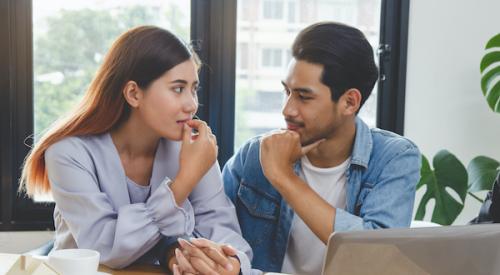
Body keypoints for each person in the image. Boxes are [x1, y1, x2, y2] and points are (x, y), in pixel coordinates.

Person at [20, 26, 254, 275]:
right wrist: (184, 182)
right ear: (133, 93)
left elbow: (225, 234)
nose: (191, 104)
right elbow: (106, 249)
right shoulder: (68, 153)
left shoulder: (194, 149)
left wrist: (231, 263)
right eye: (177, 88)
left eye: (194, 89)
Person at [223, 22, 421, 274]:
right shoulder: (255, 154)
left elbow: (377, 256)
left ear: (350, 102)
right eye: (287, 92)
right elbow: (214, 232)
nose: (287, 110)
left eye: (304, 97)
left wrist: (284, 177)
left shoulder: (394, 158)